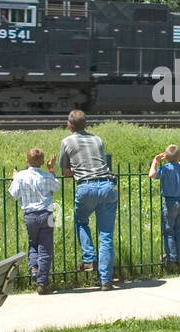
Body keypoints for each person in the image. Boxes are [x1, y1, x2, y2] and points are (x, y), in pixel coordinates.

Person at [57, 110, 119, 290]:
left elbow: (66, 171)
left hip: (86, 187)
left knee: (81, 221)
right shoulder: (98, 139)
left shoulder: (67, 142)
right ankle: (106, 281)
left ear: (69, 125)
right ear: (87, 124)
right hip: (107, 186)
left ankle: (89, 258)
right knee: (106, 235)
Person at [8, 148, 60, 294]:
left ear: (26, 161)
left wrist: (15, 179)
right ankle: (42, 283)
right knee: (46, 247)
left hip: (30, 215)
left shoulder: (21, 177)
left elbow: (13, 195)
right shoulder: (46, 176)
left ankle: (33, 268)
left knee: (33, 242)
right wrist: (51, 168)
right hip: (47, 213)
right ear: (42, 162)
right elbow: (57, 187)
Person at [149, 143, 180, 268]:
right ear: (179, 157)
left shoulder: (166, 169)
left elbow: (151, 174)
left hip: (169, 202)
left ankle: (171, 259)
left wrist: (155, 161)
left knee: (168, 231)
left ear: (165, 157)